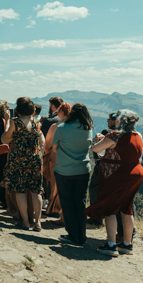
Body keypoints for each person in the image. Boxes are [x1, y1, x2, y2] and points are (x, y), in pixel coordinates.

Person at [86, 110, 143, 257]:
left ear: (120, 121)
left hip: (116, 174)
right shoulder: (138, 136)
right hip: (136, 173)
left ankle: (111, 245)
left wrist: (101, 139)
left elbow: (96, 149)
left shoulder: (114, 135)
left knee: (110, 207)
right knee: (127, 208)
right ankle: (127, 244)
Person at [48, 102, 94, 246]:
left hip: (65, 170)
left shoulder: (62, 128)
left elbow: (54, 149)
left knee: (67, 203)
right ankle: (82, 235)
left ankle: (73, 235)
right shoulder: (88, 129)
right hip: (83, 170)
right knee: (80, 203)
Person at [1, 97, 45, 231]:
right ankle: (38, 222)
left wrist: (7, 121)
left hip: (19, 159)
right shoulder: (37, 122)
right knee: (36, 191)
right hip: (35, 159)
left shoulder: (16, 123)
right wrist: (39, 155)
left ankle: (25, 221)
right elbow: (42, 141)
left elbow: (5, 138)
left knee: (19, 190)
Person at [87, 112, 118, 227]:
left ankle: (96, 218)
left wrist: (97, 142)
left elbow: (99, 151)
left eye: (109, 119)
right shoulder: (127, 133)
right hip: (117, 169)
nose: (107, 121)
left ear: (114, 121)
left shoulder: (107, 132)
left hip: (103, 166)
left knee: (95, 189)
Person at [41, 97, 64, 217]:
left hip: (51, 155)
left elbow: (45, 140)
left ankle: (52, 207)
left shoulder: (51, 122)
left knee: (49, 181)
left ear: (52, 106)